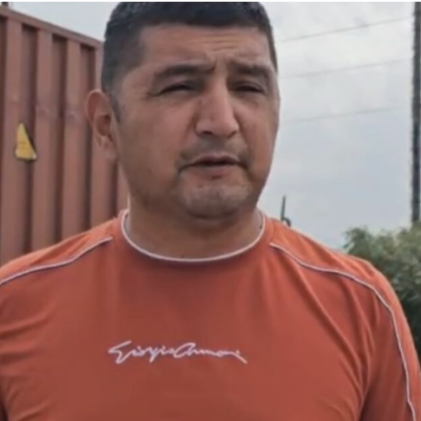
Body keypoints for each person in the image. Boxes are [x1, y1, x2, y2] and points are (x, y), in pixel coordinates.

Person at [0, 2, 419, 420]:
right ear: (107, 125)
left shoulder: (361, 307)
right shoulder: (13, 309)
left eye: (248, 88)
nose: (221, 122)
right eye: (180, 87)